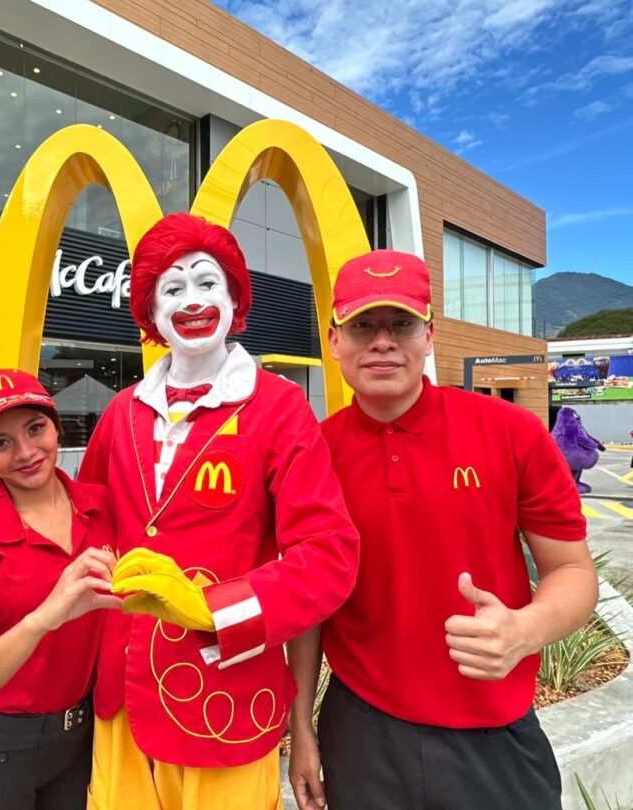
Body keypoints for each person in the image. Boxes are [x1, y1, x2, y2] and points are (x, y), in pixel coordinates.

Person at [287, 250, 598, 810]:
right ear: (333, 341)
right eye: (362, 325)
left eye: (401, 324)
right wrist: (301, 725)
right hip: (361, 730)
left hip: (494, 729)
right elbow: (308, 602)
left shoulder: (510, 433)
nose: (382, 341)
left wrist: (525, 629)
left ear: (429, 334)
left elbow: (573, 572)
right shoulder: (311, 453)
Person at [79, 213, 360, 810]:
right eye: (172, 289)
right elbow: (89, 521)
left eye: (207, 283)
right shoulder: (120, 412)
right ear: (150, 314)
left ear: (235, 298)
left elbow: (328, 554)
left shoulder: (279, 408)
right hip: (123, 694)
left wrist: (214, 608)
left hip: (225, 694)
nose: (192, 301)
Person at [0, 368, 121, 810]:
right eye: (0, 443)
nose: (27, 452)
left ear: (56, 426)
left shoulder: (105, 507)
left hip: (85, 740)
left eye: (35, 428)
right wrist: (44, 617)